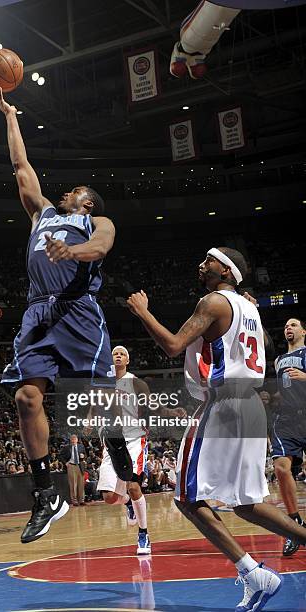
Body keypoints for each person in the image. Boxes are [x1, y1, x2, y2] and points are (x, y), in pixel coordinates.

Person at [127, 247, 306, 611]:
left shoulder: (213, 302)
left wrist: (143, 313)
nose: (200, 265)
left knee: (186, 498)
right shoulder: (248, 306)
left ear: (225, 270)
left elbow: (174, 346)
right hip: (252, 405)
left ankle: (254, 574)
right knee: (245, 504)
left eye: (207, 260)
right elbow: (264, 347)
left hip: (224, 404)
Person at [0, 87, 128, 544]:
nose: (67, 191)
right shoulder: (43, 214)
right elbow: (21, 168)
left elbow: (101, 248)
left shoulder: (96, 222)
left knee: (95, 402)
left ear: (87, 203)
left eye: (76, 191)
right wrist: (10, 116)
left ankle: (121, 459)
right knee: (26, 400)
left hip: (78, 313)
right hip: (38, 314)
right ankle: (44, 493)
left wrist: (72, 250)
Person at [96, 346, 185, 555]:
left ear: (127, 359)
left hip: (135, 438)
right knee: (109, 497)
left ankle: (143, 533)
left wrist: (171, 411)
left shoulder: (136, 383)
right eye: (114, 354)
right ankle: (127, 503)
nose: (117, 356)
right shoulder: (102, 384)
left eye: (122, 354)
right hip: (112, 440)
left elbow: (153, 406)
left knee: (134, 486)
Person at [272, 318, 306, 556]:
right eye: (285, 326)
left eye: (293, 324)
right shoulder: (277, 361)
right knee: (281, 468)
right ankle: (295, 525)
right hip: (286, 419)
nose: (288, 328)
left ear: (303, 331)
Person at [60, 435, 86, 506]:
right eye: (72, 439)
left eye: (75, 439)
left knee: (81, 484)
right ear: (70, 440)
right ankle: (74, 501)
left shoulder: (81, 446)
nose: (74, 440)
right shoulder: (66, 447)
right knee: (73, 484)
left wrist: (83, 457)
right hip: (71, 465)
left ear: (77, 440)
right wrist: (66, 463)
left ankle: (81, 500)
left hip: (80, 465)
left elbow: (84, 454)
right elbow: (61, 455)